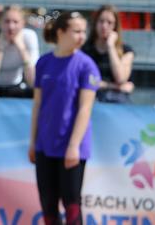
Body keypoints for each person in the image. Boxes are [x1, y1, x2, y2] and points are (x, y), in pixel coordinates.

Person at [29, 11, 101, 225]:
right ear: (61, 32)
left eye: (84, 31)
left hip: (72, 147)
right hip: (45, 145)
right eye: (76, 31)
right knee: (48, 205)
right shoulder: (43, 63)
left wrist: (73, 146)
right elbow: (37, 105)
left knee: (71, 204)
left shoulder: (86, 65)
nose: (82, 36)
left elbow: (85, 109)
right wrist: (33, 142)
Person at [0, 5, 39, 98]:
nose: (11, 27)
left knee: (34, 93)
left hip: (16, 86)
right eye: (7, 21)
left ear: (23, 23)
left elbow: (33, 82)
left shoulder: (29, 36)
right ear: (0, 22)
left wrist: (22, 48)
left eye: (15, 22)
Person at [82, 4, 135, 103]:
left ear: (115, 26)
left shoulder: (126, 51)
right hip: (92, 98)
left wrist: (111, 46)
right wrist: (113, 86)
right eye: (101, 21)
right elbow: (85, 81)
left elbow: (120, 78)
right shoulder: (85, 50)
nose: (104, 26)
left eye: (109, 22)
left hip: (117, 101)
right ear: (95, 23)